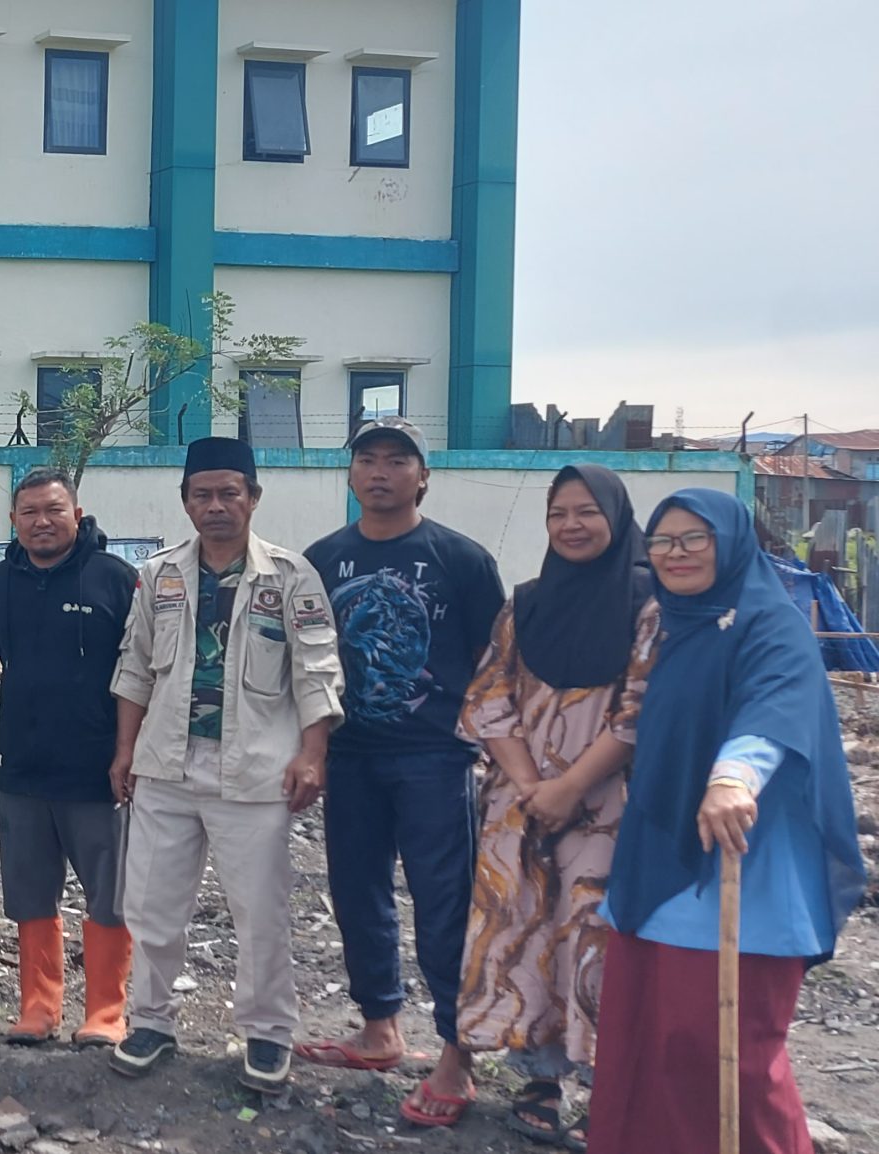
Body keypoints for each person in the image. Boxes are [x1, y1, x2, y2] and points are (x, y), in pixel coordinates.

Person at [584, 489, 866, 1154]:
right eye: (663, 541)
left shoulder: (771, 623)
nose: (676, 554)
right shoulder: (677, 624)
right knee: (642, 1044)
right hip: (661, 858)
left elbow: (775, 705)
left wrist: (734, 776)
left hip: (744, 860)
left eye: (694, 538)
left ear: (732, 542)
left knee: (723, 1053)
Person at [108, 437, 342, 1094]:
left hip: (257, 770)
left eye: (229, 493)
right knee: (152, 906)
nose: (216, 507)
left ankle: (267, 1034)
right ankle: (151, 1021)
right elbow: (135, 668)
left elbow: (318, 672)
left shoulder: (290, 576)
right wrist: (126, 751)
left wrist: (313, 754)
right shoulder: (159, 575)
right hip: (166, 767)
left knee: (260, 912)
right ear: (185, 502)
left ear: (253, 498)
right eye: (203, 495)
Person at [297, 417, 504, 1123]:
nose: (380, 471)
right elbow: (304, 663)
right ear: (350, 475)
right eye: (368, 459)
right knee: (356, 892)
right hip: (350, 755)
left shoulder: (461, 559)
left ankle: (457, 1051)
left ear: (423, 476)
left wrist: (490, 749)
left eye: (397, 460)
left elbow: (494, 663)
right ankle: (380, 1027)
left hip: (434, 757)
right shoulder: (322, 560)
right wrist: (312, 748)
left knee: (444, 904)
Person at [452, 465, 657, 1144]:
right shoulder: (527, 602)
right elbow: (488, 697)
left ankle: (610, 1085)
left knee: (593, 938)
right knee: (524, 936)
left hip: (606, 806)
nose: (571, 525)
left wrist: (569, 788)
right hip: (520, 804)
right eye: (558, 513)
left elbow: (639, 710)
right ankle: (539, 1075)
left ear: (618, 518)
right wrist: (533, 785)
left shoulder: (649, 604)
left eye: (586, 512)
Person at [0, 467, 136, 1047]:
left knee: (110, 893)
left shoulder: (115, 579)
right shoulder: (0, 580)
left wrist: (126, 752)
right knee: (29, 894)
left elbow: (135, 673)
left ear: (77, 513)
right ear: (14, 521)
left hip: (98, 772)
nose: (42, 522)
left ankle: (104, 1012)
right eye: (29, 513)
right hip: (23, 766)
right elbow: (7, 650)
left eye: (53, 510)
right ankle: (39, 1009)